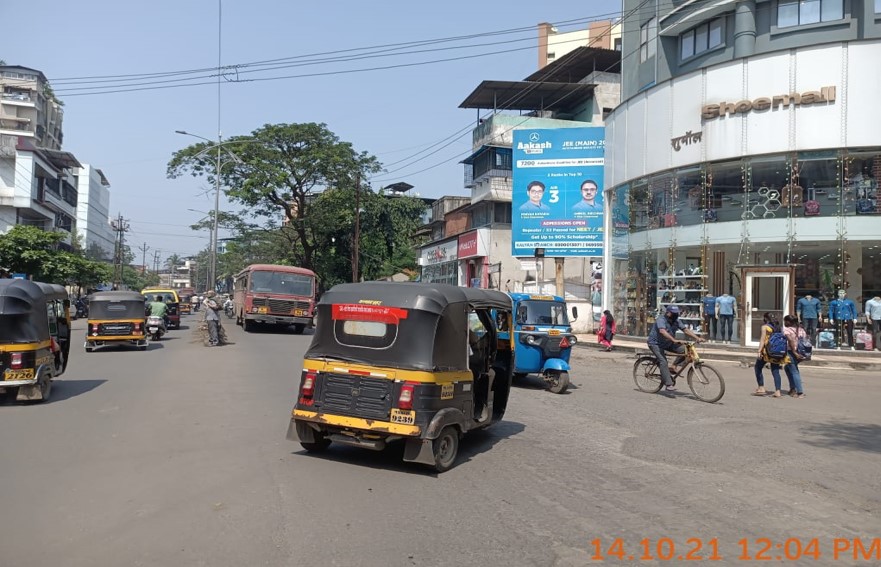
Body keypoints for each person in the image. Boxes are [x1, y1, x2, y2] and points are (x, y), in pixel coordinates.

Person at [646, 305, 705, 392]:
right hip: (655, 344)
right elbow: (662, 331)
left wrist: (697, 338)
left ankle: (674, 366)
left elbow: (685, 330)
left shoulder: (676, 320)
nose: (676, 315)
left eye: (677, 313)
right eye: (674, 313)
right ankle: (668, 384)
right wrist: (674, 340)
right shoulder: (661, 319)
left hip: (668, 343)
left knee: (686, 350)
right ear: (668, 313)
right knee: (663, 361)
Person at [754, 312, 788, 397]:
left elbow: (762, 340)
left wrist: (759, 351)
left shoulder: (765, 327)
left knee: (758, 367)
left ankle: (761, 387)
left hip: (766, 351)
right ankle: (778, 391)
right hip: (776, 351)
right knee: (775, 370)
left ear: (766, 318)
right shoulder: (779, 327)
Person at [782, 315, 806, 398]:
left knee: (794, 371)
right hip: (801, 352)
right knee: (787, 368)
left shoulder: (787, 330)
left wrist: (794, 352)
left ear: (789, 322)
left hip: (792, 352)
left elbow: (790, 340)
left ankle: (799, 392)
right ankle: (792, 388)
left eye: (785, 321)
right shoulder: (801, 330)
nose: (784, 323)